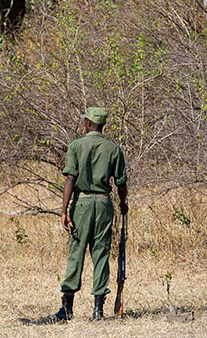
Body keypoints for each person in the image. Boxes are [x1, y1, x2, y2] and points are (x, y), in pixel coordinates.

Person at [50, 107, 128, 322]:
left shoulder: (76, 145)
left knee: (76, 252)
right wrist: (122, 204)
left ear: (88, 124)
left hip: (81, 203)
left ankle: (67, 308)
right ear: (102, 125)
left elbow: (69, 179)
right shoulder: (114, 149)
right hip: (104, 203)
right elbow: (121, 183)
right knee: (101, 253)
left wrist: (64, 210)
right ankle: (98, 310)